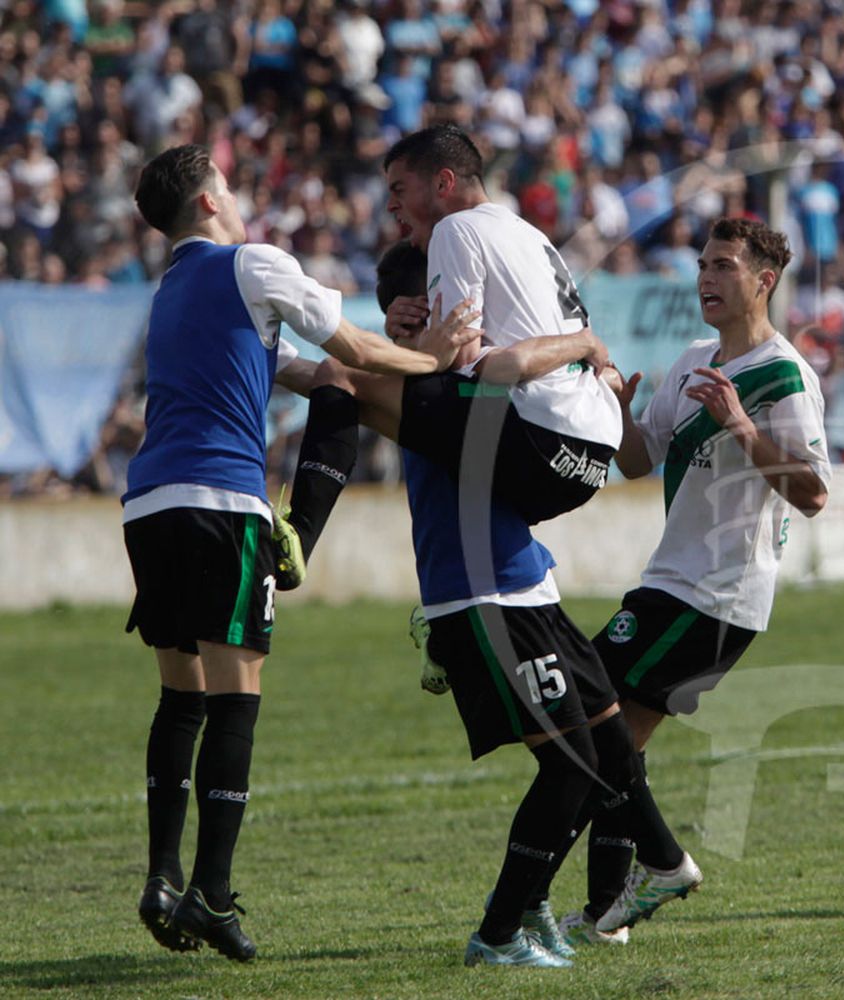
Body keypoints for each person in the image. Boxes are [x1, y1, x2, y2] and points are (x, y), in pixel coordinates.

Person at [273, 241, 699, 970]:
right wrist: (586, 340)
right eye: (466, 305)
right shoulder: (395, 384)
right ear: (426, 311)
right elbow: (322, 370)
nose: (484, 321)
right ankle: (498, 932)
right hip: (483, 596)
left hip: (531, 583)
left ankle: (631, 874)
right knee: (572, 768)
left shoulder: (455, 380)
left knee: (607, 748)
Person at [124, 144, 475, 962]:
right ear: (208, 202)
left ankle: (163, 876)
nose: (238, 197)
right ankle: (212, 893)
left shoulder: (170, 291)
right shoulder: (253, 263)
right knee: (236, 697)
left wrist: (347, 385)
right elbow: (349, 346)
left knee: (180, 699)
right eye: (228, 185)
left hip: (150, 504)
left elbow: (307, 370)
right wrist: (435, 358)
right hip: (222, 501)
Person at [544, 217, 832, 944]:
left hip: (718, 593)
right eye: (702, 264)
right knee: (616, 746)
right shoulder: (691, 361)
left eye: (724, 266)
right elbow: (640, 462)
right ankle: (609, 913)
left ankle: (657, 865)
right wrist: (615, 402)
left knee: (591, 720)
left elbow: (813, 492)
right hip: (674, 580)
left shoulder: (784, 374)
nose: (706, 277)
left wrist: (741, 425)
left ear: (763, 281)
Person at [275, 124, 621, 587]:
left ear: (443, 183)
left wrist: (410, 347)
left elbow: (458, 356)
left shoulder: (456, 228)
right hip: (592, 456)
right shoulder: (529, 234)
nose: (391, 205)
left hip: (541, 436)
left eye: (399, 189)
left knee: (341, 374)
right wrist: (413, 344)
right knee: (370, 390)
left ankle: (296, 536)